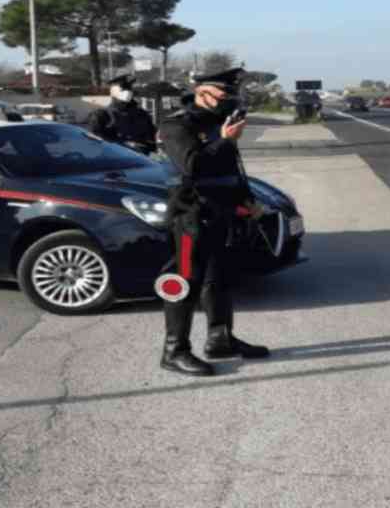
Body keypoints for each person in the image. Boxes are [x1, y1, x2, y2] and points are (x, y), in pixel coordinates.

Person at [156, 68, 270, 377]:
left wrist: (247, 200)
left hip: (222, 214)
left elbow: (231, 169)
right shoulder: (176, 124)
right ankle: (174, 350)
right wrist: (224, 139)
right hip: (190, 218)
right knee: (184, 281)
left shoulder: (219, 123)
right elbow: (193, 165)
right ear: (200, 91)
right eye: (222, 93)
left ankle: (221, 339)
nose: (227, 99)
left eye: (230, 94)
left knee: (219, 279)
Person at [89, 74, 157, 154]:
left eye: (129, 89)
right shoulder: (101, 115)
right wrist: (126, 144)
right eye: (123, 90)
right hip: (117, 161)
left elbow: (151, 139)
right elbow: (95, 142)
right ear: (113, 92)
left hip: (143, 160)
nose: (128, 92)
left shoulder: (142, 114)